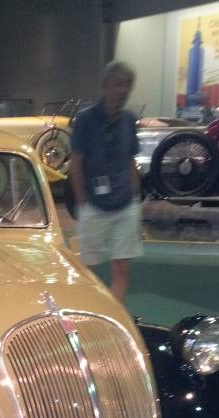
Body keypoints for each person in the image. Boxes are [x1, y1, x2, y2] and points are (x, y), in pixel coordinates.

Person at [69, 60, 143, 302]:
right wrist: (82, 203)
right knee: (87, 269)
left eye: (127, 85)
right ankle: (90, 311)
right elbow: (76, 164)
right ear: (105, 86)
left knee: (121, 268)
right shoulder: (85, 120)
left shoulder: (129, 120)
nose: (123, 90)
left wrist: (136, 198)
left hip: (125, 204)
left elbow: (130, 159)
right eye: (118, 84)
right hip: (94, 205)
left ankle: (114, 313)